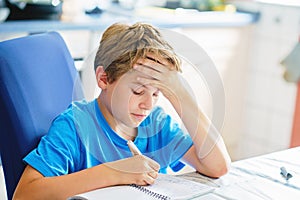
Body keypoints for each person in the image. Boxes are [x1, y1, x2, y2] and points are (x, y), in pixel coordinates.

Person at [13, 22, 231, 199]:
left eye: (157, 93)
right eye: (138, 91)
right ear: (104, 79)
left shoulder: (155, 124)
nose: (148, 104)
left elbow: (217, 167)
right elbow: (25, 194)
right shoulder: (74, 126)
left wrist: (181, 94)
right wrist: (117, 172)